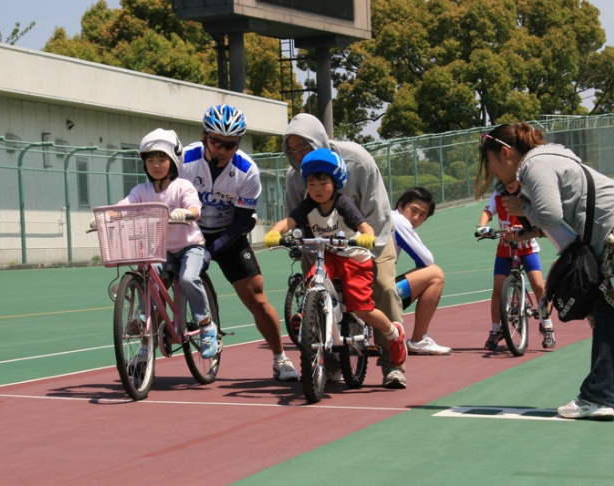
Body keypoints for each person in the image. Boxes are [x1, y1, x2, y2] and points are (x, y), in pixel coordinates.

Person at [476, 123, 614, 420]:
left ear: (505, 153)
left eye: (489, 163)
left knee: (605, 309)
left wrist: (522, 210)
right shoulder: (551, 158)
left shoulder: (534, 165)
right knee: (609, 311)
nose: (491, 172)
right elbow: (563, 216)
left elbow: (550, 215)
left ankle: (597, 396)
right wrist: (531, 232)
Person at [281, 113, 408, 389]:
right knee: (314, 290)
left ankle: (393, 364)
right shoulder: (295, 177)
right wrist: (294, 241)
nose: (297, 155)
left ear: (320, 141)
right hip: (323, 243)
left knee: (383, 288)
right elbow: (296, 219)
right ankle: (328, 362)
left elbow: (377, 211)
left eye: (303, 147)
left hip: (367, 236)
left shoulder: (357, 161)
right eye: (291, 149)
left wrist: (367, 246)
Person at [180, 104, 298, 381]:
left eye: (230, 144)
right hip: (189, 232)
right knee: (166, 283)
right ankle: (144, 348)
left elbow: (242, 223)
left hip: (228, 234)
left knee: (257, 297)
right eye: (215, 142)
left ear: (238, 143)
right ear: (203, 136)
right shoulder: (183, 159)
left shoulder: (247, 170)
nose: (221, 150)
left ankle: (281, 358)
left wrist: (212, 250)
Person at [93, 128, 218, 358]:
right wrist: (105, 218)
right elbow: (125, 206)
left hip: (191, 246)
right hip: (161, 251)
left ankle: (206, 325)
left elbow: (194, 207)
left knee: (188, 278)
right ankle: (144, 325)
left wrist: (188, 212)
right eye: (150, 159)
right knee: (146, 277)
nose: (156, 164)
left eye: (162, 159)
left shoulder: (182, 186)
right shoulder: (142, 190)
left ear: (173, 161)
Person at [477, 183, 555, 351]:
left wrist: (528, 227)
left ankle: (547, 326)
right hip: (505, 249)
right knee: (498, 289)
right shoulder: (498, 194)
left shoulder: (527, 194)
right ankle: (496, 330)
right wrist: (482, 226)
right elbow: (487, 212)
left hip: (527, 248)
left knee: (538, 285)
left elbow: (537, 215)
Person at [392, 187, 451, 355]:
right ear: (402, 205)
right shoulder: (398, 221)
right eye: (414, 211)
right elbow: (426, 260)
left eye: (422, 215)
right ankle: (419, 339)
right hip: (375, 295)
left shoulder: (387, 216)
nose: (416, 218)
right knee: (435, 274)